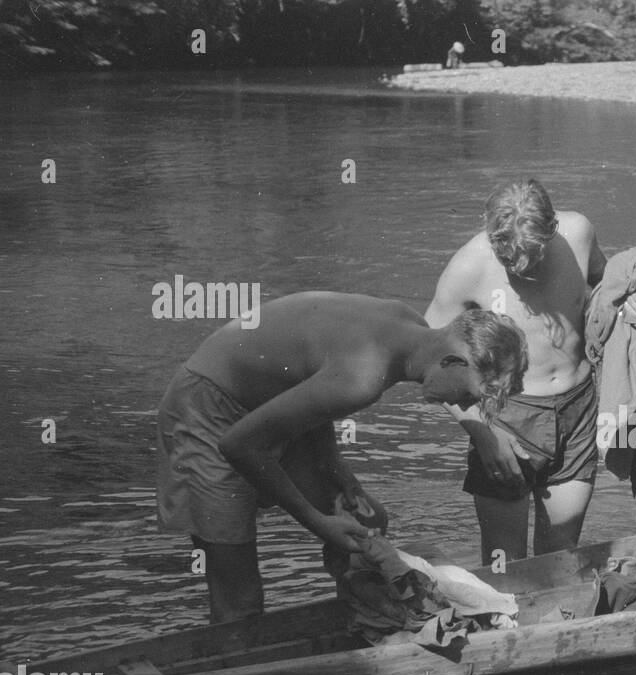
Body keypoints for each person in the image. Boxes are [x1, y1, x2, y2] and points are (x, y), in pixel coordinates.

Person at [156, 291, 527, 624]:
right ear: (453, 361)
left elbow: (312, 380)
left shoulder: (411, 324)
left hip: (261, 405)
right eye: (471, 395)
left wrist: (334, 465)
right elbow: (239, 445)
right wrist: (317, 522)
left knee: (368, 519)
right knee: (241, 603)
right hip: (205, 410)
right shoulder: (365, 375)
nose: (463, 406)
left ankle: (362, 622)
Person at [425, 179, 607, 564]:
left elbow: (607, 288)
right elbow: (429, 367)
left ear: (553, 228)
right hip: (507, 417)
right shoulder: (467, 267)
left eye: (534, 256)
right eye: (511, 261)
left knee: (559, 555)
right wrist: (482, 431)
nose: (524, 270)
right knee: (503, 561)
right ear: (491, 233)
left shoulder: (579, 234)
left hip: (578, 409)